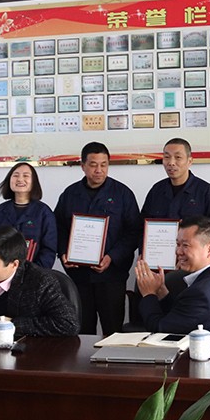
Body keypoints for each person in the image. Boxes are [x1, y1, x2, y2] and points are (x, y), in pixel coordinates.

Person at [54, 142, 142, 335]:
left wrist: (112, 257)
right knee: (81, 332)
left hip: (112, 276)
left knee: (113, 332)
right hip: (79, 276)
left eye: (104, 164)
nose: (99, 170)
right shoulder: (70, 194)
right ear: (83, 166)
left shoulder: (123, 194)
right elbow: (58, 228)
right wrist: (63, 253)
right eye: (93, 165)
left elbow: (134, 232)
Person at [0, 227, 78, 336]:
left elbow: (69, 323)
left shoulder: (40, 281)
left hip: (26, 349)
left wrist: (13, 324)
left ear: (14, 264)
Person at [134, 215, 210, 339]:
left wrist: (148, 294)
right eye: (178, 244)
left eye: (185, 245)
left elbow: (160, 330)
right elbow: (181, 316)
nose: (178, 251)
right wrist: (162, 292)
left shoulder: (201, 294)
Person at [140, 138, 210, 239]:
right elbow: (142, 227)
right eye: (167, 157)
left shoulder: (205, 191)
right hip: (160, 248)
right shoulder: (156, 190)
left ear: (189, 161)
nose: (171, 162)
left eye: (178, 157)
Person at [0, 162, 57, 268]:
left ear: (34, 182)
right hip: (1, 271)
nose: (20, 179)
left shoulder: (44, 212)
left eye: (26, 176)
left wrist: (36, 272)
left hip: (34, 272)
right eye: (16, 175)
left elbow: (49, 249)